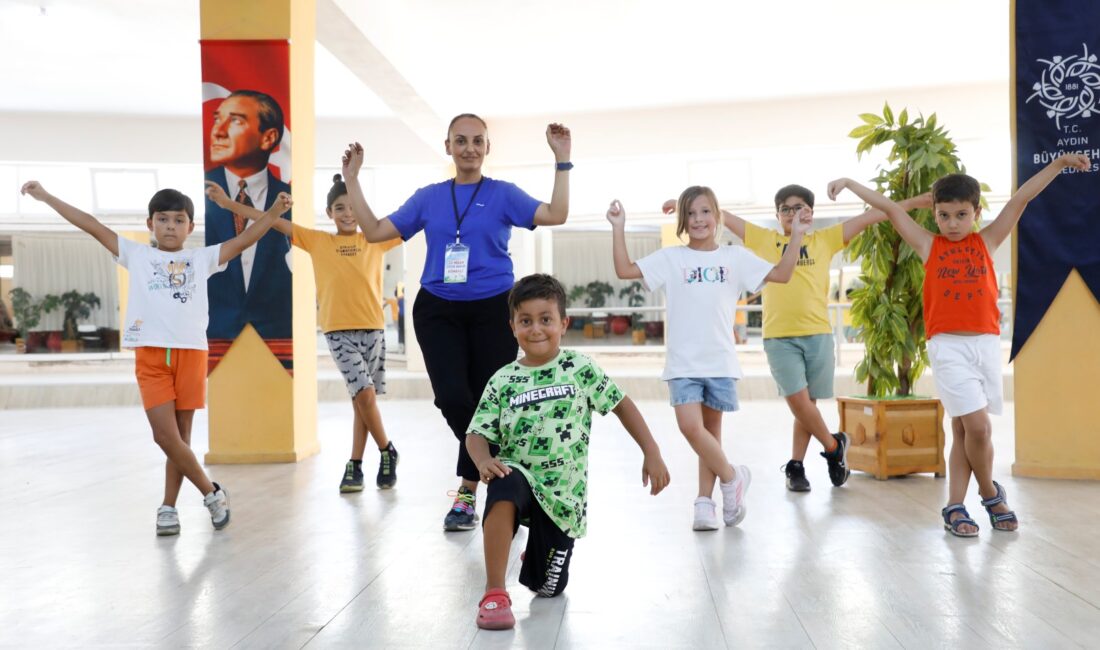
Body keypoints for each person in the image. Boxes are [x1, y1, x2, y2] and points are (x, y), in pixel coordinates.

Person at [826, 151, 1091, 536]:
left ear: (976, 212)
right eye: (944, 215)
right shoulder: (928, 245)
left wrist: (1058, 165)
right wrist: (850, 182)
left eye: (961, 215)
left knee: (966, 431)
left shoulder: (987, 241)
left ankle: (954, 507)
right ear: (934, 213)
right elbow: (887, 207)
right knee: (979, 427)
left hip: (984, 346)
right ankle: (990, 494)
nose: (952, 223)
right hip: (948, 347)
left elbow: (1021, 199)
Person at [340, 114, 573, 531]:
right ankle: (493, 467)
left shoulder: (503, 194)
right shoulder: (429, 198)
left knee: (489, 403)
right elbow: (374, 231)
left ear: (487, 148)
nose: (469, 148)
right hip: (438, 309)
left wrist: (562, 160)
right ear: (447, 146)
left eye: (477, 141)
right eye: (460, 141)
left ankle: (467, 495)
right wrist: (352, 179)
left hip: (493, 310)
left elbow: (556, 214)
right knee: (452, 397)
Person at [20, 179, 291, 535]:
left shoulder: (201, 258)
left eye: (179, 220)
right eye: (162, 219)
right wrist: (46, 196)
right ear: (150, 224)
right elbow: (90, 224)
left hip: (191, 353)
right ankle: (212, 493)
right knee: (165, 437)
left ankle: (168, 508)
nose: (170, 227)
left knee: (182, 439)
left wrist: (273, 213)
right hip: (150, 355)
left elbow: (244, 240)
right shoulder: (137, 255)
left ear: (190, 227)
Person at [664, 187, 931, 492]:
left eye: (799, 207)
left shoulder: (825, 239)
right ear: (777, 215)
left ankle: (796, 466)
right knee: (799, 403)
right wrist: (684, 206)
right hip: (779, 337)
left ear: (810, 213)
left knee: (808, 405)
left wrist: (917, 202)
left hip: (818, 333)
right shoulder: (765, 239)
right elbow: (718, 213)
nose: (792, 213)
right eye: (785, 209)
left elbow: (876, 214)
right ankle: (833, 447)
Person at [466, 273, 670, 630]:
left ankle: (539, 557)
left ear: (564, 323)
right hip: (519, 474)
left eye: (545, 319)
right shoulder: (502, 379)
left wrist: (651, 451)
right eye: (525, 321)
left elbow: (621, 404)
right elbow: (476, 432)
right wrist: (483, 459)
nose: (536, 329)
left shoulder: (579, 368)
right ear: (512, 326)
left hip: (564, 495)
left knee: (546, 586)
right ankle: (495, 592)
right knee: (502, 486)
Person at [611, 187, 807, 531]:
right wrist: (618, 227)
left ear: (717, 216)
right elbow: (625, 270)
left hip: (719, 361)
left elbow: (782, 274)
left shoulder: (735, 257)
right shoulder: (671, 258)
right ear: (682, 220)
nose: (698, 219)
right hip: (683, 363)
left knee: (711, 435)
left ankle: (705, 504)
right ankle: (733, 478)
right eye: (690, 213)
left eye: (705, 212)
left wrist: (797, 235)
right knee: (690, 428)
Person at [206, 174, 401, 493]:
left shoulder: (375, 240)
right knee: (364, 395)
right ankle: (386, 450)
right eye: (340, 208)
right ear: (329, 213)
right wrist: (229, 204)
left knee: (361, 402)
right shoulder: (318, 240)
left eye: (353, 208)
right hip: (338, 332)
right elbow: (273, 223)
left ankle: (355, 465)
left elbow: (417, 222)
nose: (348, 214)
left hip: (373, 329)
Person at [204, 89, 294, 371]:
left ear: (268, 138)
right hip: (219, 339)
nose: (217, 131)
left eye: (235, 121)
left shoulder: (289, 198)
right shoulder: (203, 193)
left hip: (279, 340)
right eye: (218, 119)